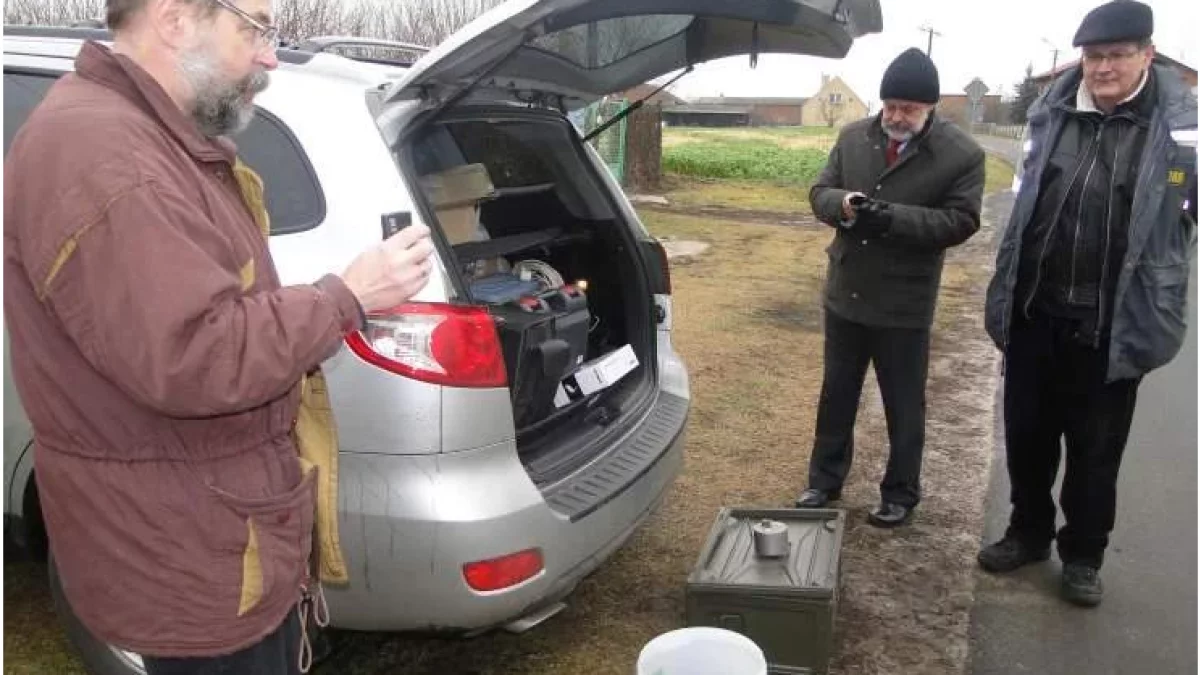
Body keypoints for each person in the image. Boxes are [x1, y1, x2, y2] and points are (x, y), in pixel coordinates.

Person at [2, 0, 436, 671]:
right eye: (254, 29)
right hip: (191, 562)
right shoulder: (110, 162)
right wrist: (347, 296)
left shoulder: (148, 140)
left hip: (217, 537)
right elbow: (195, 356)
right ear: (174, 20)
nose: (268, 56)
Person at [979, 0, 1197, 607]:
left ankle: (1083, 555)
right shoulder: (1052, 115)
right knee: (1026, 437)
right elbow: (1023, 207)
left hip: (1110, 325)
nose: (1102, 68)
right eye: (1094, 56)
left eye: (1117, 55)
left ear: (1147, 56)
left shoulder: (1181, 131)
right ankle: (1027, 532)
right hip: (1036, 313)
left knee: (1095, 455)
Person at [795, 48, 986, 528]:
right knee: (836, 392)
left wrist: (891, 218)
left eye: (909, 110)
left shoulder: (962, 154)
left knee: (903, 402)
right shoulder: (853, 136)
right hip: (846, 291)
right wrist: (844, 204)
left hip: (905, 302)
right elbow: (819, 193)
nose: (897, 118)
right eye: (891, 106)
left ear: (931, 108)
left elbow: (961, 222)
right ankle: (823, 481)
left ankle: (900, 492)